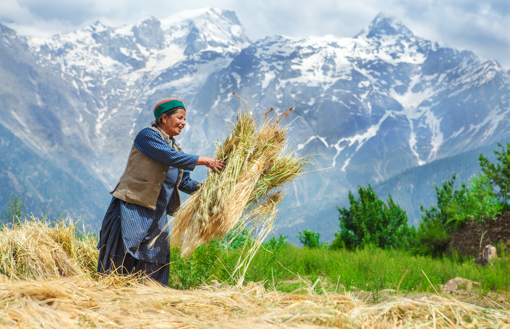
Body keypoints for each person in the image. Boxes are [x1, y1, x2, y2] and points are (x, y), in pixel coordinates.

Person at [97, 98, 225, 286]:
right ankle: (113, 294)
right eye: (180, 118)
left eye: (185, 119)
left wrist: (212, 190)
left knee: (156, 258)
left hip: (157, 214)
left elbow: (185, 182)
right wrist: (205, 160)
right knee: (122, 255)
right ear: (164, 118)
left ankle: (149, 299)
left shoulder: (176, 148)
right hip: (133, 208)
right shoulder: (148, 136)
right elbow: (169, 157)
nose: (183, 123)